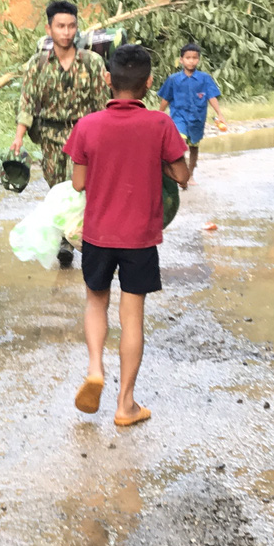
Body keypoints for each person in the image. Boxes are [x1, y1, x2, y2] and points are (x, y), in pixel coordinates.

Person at [66, 43, 190, 429]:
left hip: (99, 234)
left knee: (95, 302)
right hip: (140, 238)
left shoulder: (87, 125)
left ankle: (94, 368)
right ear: (149, 83)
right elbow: (182, 176)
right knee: (132, 315)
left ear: (108, 80)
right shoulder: (160, 125)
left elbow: (78, 182)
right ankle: (126, 405)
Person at [11, 0, 111, 268]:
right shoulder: (38, 64)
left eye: (71, 26)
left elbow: (103, 105)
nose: (66, 32)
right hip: (51, 137)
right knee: (57, 188)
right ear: (49, 28)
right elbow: (27, 102)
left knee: (83, 188)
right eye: (60, 26)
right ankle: (66, 240)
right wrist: (19, 136)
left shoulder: (92, 62)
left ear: (77, 28)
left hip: (86, 136)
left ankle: (85, 240)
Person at [155, 41, 224, 172]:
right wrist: (159, 115)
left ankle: (190, 172)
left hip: (197, 119)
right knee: (179, 142)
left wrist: (220, 114)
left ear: (198, 60)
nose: (191, 61)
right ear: (181, 60)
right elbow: (166, 99)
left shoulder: (205, 78)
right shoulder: (173, 79)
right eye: (188, 58)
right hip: (179, 117)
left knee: (194, 146)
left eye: (194, 58)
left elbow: (212, 97)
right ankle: (181, 173)